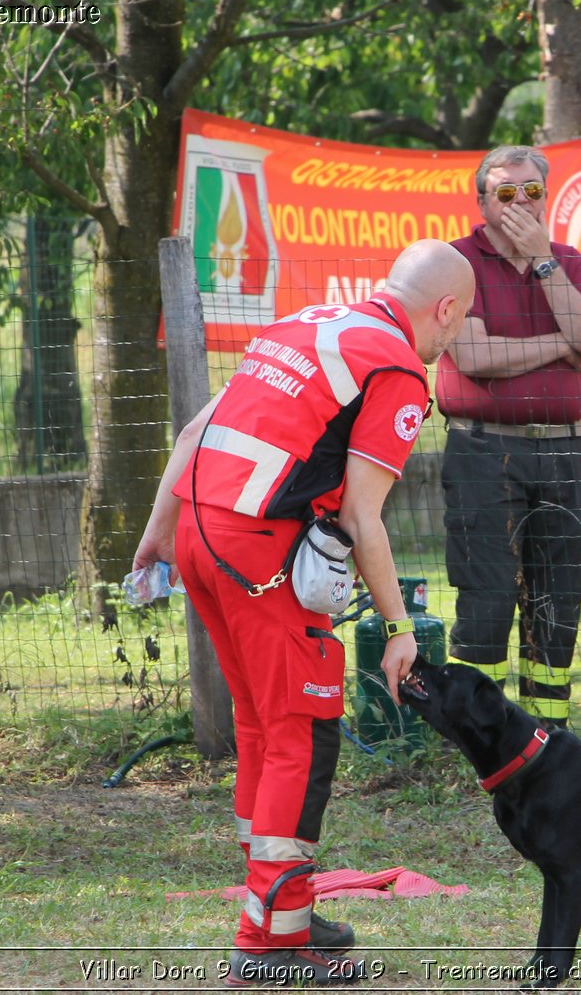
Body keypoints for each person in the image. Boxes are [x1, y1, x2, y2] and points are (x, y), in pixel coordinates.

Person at [131, 241, 474, 987]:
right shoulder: (397, 368)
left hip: (199, 529)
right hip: (257, 549)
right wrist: (400, 628)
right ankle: (271, 944)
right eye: (458, 325)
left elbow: (193, 434)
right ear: (444, 309)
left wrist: (157, 534)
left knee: (259, 724)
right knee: (300, 734)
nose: (452, 342)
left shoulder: (305, 322)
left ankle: (278, 906)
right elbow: (363, 513)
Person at [436, 146, 581, 728]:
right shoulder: (457, 261)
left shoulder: (567, 261)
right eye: (506, 193)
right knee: (487, 595)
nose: (520, 203)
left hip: (562, 448)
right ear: (482, 201)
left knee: (558, 598)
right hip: (485, 448)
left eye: (532, 191)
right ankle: (477, 732)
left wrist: (543, 263)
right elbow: (476, 356)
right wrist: (561, 344)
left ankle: (545, 733)